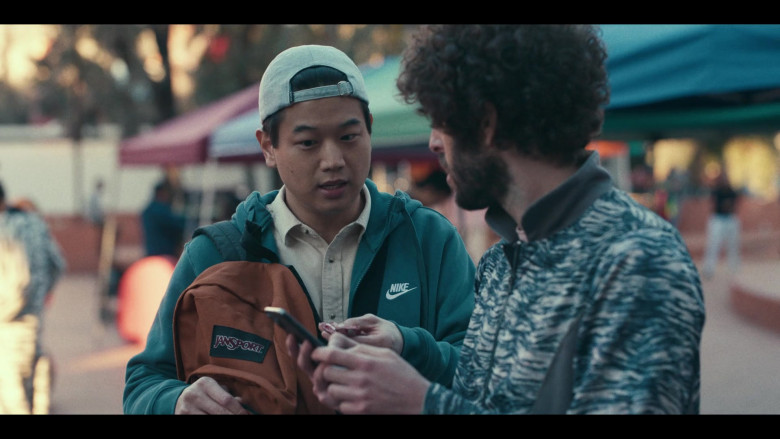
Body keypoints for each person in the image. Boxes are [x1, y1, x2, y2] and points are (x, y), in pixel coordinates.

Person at [290, 25, 706, 414]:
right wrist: (402, 350)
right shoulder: (499, 264)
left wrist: (422, 402)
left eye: (441, 120)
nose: (434, 141)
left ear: (486, 122)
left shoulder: (639, 261)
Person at [123, 44, 476, 414]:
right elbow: (142, 384)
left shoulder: (428, 240)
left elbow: (484, 372)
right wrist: (175, 400)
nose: (333, 161)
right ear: (268, 146)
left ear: (369, 129)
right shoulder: (216, 255)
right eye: (308, 143)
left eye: (349, 137)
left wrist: (406, 345)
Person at [0, 180, 66, 414]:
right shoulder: (35, 223)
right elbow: (58, 263)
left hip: (10, 323)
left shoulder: (6, 229)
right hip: (33, 317)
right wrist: (41, 294)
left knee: (12, 398)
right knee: (32, 388)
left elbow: (20, 282)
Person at [702, 169, 741, 278]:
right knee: (713, 244)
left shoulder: (732, 191)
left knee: (733, 245)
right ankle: (709, 267)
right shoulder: (716, 191)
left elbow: (734, 205)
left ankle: (734, 268)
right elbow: (715, 204)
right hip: (718, 219)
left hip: (730, 219)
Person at [140, 180, 187, 258]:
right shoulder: (160, 210)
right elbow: (182, 224)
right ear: (161, 192)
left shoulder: (148, 210)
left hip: (152, 254)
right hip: (164, 255)